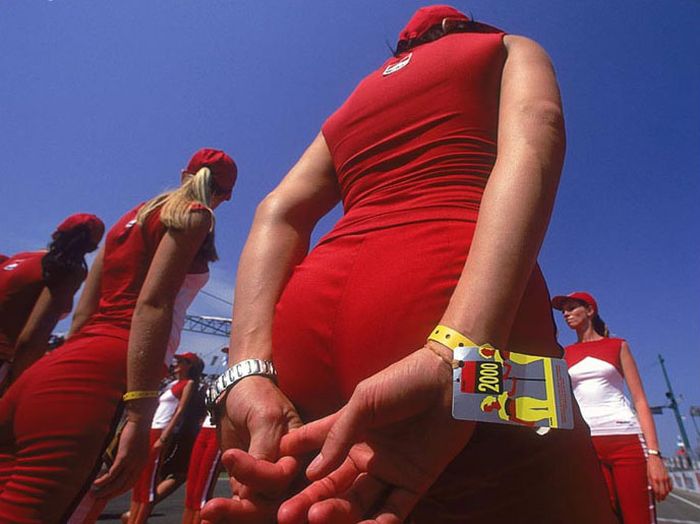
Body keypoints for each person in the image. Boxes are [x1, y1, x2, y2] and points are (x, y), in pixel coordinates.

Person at [204, 5, 615, 523]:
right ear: (459, 27)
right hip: (472, 331)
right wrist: (457, 354)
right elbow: (539, 128)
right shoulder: (506, 47)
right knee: (559, 457)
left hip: (304, 345)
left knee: (326, 503)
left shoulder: (355, 99)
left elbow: (278, 210)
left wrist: (246, 370)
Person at [0, 147, 236, 523]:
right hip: (109, 373)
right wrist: (139, 412)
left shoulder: (127, 222)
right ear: (224, 195)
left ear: (183, 175)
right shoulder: (196, 216)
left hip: (52, 368)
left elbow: (81, 315)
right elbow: (153, 304)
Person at [552, 291, 672, 523]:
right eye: (563, 310)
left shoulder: (617, 345)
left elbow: (640, 400)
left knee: (638, 517)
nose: (566, 314)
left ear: (589, 310)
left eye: (571, 307)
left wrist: (655, 455)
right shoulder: (563, 354)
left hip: (626, 441)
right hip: (586, 445)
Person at [0, 213, 104, 391]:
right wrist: (16, 384)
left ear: (56, 233)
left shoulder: (13, 259)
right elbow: (32, 337)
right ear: (92, 249)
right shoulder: (65, 269)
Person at [126, 352, 202, 523]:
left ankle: (139, 519)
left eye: (181, 361)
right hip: (151, 428)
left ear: (189, 365)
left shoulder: (188, 383)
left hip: (162, 430)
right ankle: (132, 517)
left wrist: (167, 433)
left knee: (149, 479)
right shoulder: (170, 384)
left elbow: (180, 410)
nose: (176, 363)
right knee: (140, 478)